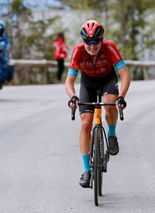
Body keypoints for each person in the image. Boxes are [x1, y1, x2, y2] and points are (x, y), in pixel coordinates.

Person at [65, 20, 131, 188]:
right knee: (86, 124)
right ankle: (86, 171)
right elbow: (69, 81)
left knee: (109, 104)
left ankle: (112, 134)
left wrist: (121, 97)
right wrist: (72, 96)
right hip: (88, 83)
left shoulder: (109, 48)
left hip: (107, 80)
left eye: (95, 42)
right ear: (83, 41)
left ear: (102, 40)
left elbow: (124, 75)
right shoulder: (78, 51)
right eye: (88, 42)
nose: (92, 47)